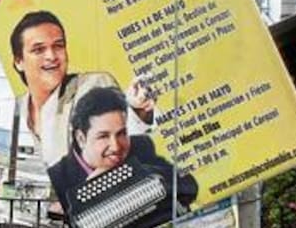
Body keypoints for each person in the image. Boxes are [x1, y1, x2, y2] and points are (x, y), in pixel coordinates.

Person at [10, 11, 155, 168]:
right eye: (38, 50)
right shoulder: (20, 107)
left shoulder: (93, 85)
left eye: (58, 46)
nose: (51, 56)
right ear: (19, 61)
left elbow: (125, 130)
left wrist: (137, 109)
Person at [47, 87, 198, 215]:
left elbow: (189, 186)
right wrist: (88, 194)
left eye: (121, 134)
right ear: (81, 138)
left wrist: (136, 174)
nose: (116, 146)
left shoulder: (140, 147)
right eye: (103, 136)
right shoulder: (59, 177)